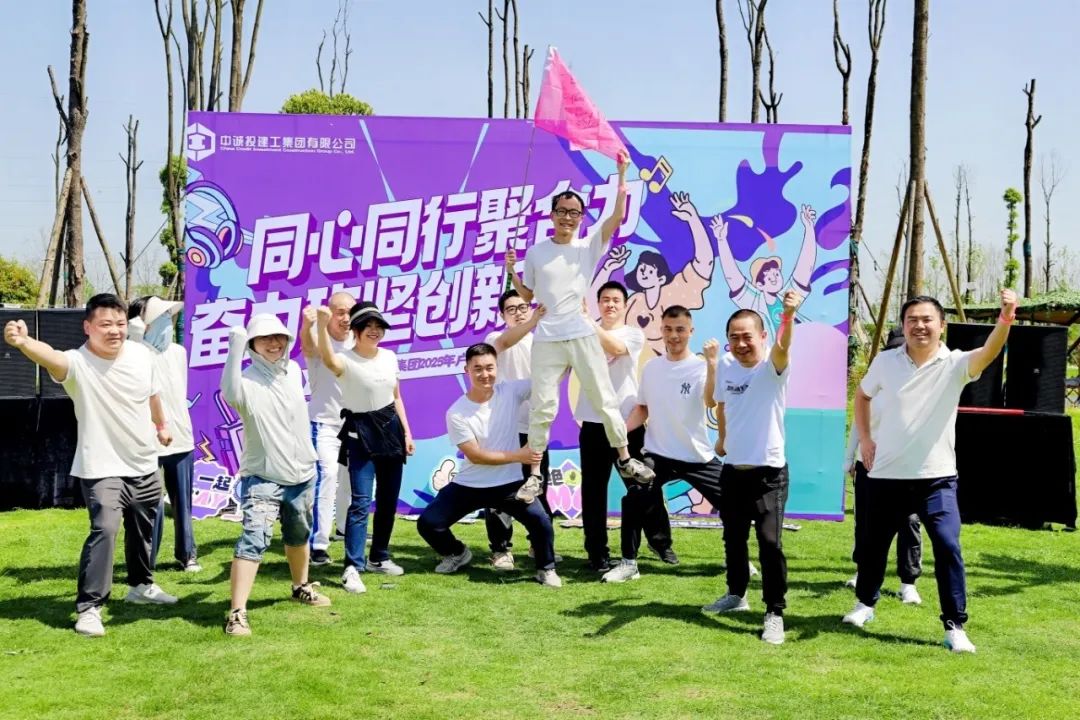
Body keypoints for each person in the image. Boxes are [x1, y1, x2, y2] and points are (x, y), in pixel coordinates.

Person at [842, 291, 1017, 653]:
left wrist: (1006, 316)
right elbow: (862, 396)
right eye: (912, 320)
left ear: (942, 325)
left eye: (926, 320)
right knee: (873, 546)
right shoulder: (886, 361)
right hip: (885, 476)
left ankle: (955, 625)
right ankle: (865, 604)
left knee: (948, 545)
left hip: (936, 478)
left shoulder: (955, 364)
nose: (919, 326)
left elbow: (990, 351)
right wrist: (866, 439)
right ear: (903, 326)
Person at [4, 294, 179, 637]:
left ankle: (141, 586)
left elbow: (153, 394)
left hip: (144, 461)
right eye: (105, 324)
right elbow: (51, 356)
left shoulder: (142, 355)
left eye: (120, 324)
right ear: (88, 327)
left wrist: (161, 425)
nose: (114, 331)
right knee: (106, 529)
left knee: (143, 528)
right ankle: (89, 607)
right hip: (101, 466)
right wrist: (24, 342)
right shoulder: (77, 363)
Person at [514, 151, 655, 497]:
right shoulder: (536, 252)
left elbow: (616, 217)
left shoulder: (587, 247)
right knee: (543, 406)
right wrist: (511, 275)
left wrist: (622, 173)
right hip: (547, 338)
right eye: (562, 211)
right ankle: (535, 473)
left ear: (580, 218)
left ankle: (625, 458)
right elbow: (529, 293)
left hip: (580, 333)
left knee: (604, 397)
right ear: (552, 215)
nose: (567, 217)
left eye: (574, 213)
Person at [701, 291, 803, 646]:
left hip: (769, 474)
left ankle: (774, 612)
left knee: (770, 543)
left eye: (747, 336)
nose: (741, 343)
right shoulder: (726, 364)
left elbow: (784, 347)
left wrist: (788, 315)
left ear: (762, 336)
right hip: (733, 470)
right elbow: (719, 403)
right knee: (733, 538)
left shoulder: (773, 367)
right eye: (735, 337)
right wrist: (722, 438)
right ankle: (736, 594)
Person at [416, 343, 561, 587]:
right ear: (467, 370)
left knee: (541, 521)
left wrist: (568, 350)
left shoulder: (510, 391)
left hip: (509, 484)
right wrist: (519, 456)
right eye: (478, 369)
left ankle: (545, 569)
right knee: (428, 523)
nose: (485, 374)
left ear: (497, 368)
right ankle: (457, 553)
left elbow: (547, 379)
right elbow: (476, 456)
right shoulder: (457, 412)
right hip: (470, 484)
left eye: (490, 368)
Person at [221, 314, 330, 636]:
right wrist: (235, 346)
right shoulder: (245, 381)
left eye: (279, 337)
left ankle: (300, 586)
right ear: (252, 344)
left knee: (299, 535)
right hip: (263, 477)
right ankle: (237, 613)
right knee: (254, 539)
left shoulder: (293, 371)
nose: (274, 343)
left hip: (302, 474)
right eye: (265, 338)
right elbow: (229, 391)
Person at [603, 306, 723, 585]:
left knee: (733, 504)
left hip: (697, 456)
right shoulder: (652, 368)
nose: (674, 335)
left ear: (691, 331)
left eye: (680, 329)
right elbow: (642, 408)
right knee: (634, 497)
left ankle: (738, 559)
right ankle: (629, 564)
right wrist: (619, 433)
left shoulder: (701, 367)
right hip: (658, 455)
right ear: (661, 331)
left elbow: (710, 401)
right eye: (668, 329)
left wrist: (713, 364)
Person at [576, 280, 675, 572]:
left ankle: (660, 542)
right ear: (598, 304)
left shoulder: (632, 334)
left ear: (624, 304)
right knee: (593, 492)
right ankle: (597, 552)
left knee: (644, 485)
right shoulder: (582, 333)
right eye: (605, 300)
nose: (610, 305)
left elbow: (617, 348)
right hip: (593, 423)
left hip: (627, 423)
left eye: (615, 300)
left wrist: (587, 322)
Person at [316, 301, 414, 595]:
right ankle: (352, 567)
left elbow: (396, 396)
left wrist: (407, 432)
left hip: (391, 431)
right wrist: (321, 325)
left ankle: (378, 557)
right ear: (355, 331)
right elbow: (328, 359)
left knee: (388, 500)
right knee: (360, 501)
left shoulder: (389, 357)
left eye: (378, 326)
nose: (374, 331)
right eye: (368, 326)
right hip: (360, 433)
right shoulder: (345, 359)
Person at [844, 329, 923, 604]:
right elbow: (859, 423)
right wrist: (849, 458)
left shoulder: (922, 385)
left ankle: (908, 582)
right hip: (870, 463)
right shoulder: (875, 381)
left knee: (909, 522)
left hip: (907, 467)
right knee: (866, 524)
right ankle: (862, 572)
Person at [590, 192, 716, 355]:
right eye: (641, 268)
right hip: (636, 365)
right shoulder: (633, 302)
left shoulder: (673, 293)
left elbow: (704, 264)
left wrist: (693, 220)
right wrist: (607, 268)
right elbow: (594, 310)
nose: (643, 272)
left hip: (669, 362)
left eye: (650, 270)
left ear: (661, 278)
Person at [127, 296, 200, 574]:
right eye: (160, 318)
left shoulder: (178, 352)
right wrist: (135, 341)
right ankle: (147, 559)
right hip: (147, 439)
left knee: (182, 503)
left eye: (168, 318)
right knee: (150, 502)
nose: (167, 323)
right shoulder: (133, 352)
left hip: (180, 436)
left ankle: (187, 554)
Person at [482, 276, 551, 571]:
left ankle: (539, 545)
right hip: (503, 429)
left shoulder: (542, 341)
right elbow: (506, 341)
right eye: (511, 309)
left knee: (537, 487)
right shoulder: (494, 340)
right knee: (499, 491)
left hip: (534, 427)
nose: (519, 313)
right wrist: (534, 320)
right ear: (502, 315)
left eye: (523, 308)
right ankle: (500, 549)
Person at [299, 291, 356, 566]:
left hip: (355, 425)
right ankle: (318, 544)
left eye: (350, 312)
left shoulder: (359, 340)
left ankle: (344, 529)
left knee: (351, 480)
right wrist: (308, 324)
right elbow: (309, 348)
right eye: (340, 312)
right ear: (329, 313)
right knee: (328, 477)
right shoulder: (319, 337)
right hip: (324, 423)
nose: (346, 318)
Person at [713, 204, 818, 342]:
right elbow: (733, 277)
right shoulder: (755, 303)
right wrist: (721, 240)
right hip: (771, 354)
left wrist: (809, 229)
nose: (775, 278)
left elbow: (804, 268)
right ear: (759, 284)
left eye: (777, 274)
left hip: (800, 352)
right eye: (768, 277)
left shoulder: (787, 296)